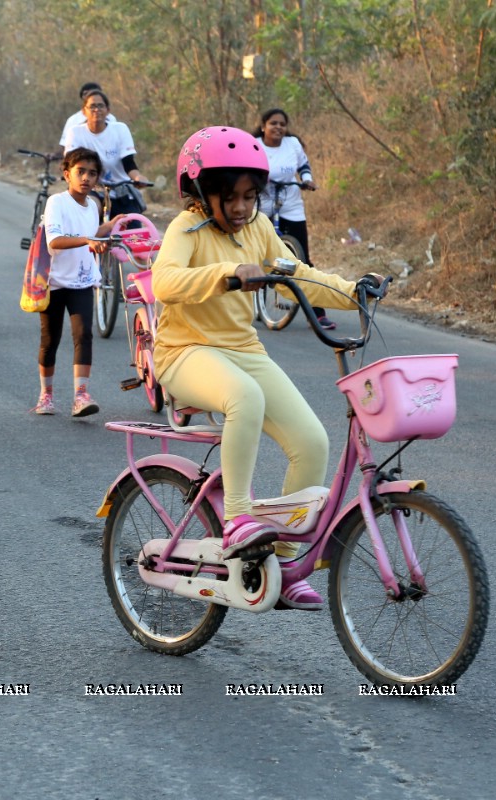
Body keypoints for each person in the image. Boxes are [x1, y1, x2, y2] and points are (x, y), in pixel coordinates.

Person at [151, 126, 380, 610]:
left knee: (311, 442)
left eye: (249, 196)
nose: (239, 207)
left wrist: (350, 289)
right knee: (245, 398)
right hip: (185, 351)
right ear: (199, 193)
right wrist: (227, 274)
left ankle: (282, 563)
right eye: (228, 196)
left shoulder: (257, 228)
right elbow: (165, 281)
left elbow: (293, 275)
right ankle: (237, 519)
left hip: (244, 351)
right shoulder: (185, 229)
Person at [33, 147, 120, 418]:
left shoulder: (93, 205)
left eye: (92, 174)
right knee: (51, 340)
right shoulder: (56, 202)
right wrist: (87, 240)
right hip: (55, 282)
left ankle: (81, 396)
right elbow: (54, 240)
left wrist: (111, 226)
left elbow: (90, 234)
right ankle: (45, 396)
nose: (86, 178)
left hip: (82, 281)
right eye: (80, 172)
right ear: (67, 173)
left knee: (83, 335)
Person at [252, 108, 332, 329]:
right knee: (257, 253)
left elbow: (303, 166)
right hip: (261, 203)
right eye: (273, 123)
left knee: (303, 258)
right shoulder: (253, 144)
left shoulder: (292, 144)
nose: (278, 127)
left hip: (290, 204)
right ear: (263, 126)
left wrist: (307, 180)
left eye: (282, 124)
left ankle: (316, 313)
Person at [61, 90, 145, 219]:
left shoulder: (120, 129)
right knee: (92, 210)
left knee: (134, 232)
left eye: (100, 106)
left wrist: (138, 177)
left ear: (108, 110)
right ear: (84, 111)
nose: (96, 110)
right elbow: (70, 163)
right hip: (91, 190)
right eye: (92, 106)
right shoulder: (75, 132)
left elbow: (129, 163)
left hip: (120, 190)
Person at [57, 82, 115, 149]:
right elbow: (65, 146)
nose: (90, 95)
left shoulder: (111, 119)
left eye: (94, 93)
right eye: (85, 94)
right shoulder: (73, 120)